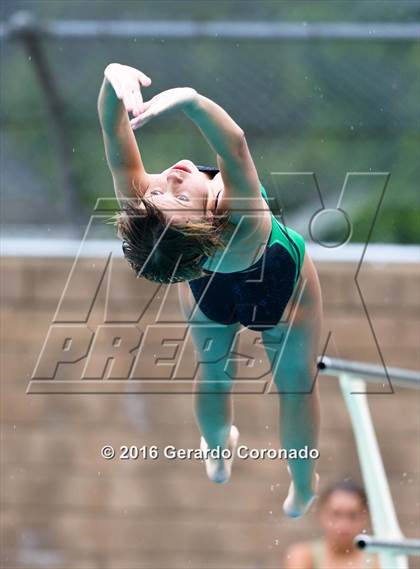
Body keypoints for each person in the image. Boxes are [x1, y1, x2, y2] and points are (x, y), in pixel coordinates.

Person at [97, 62, 323, 517]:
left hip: (209, 292)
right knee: (296, 387)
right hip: (282, 286)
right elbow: (234, 144)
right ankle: (302, 484)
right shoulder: (239, 216)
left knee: (214, 372)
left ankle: (218, 448)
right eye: (179, 198)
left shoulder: (150, 212)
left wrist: (110, 81)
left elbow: (112, 131)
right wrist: (191, 101)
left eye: (161, 191)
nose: (171, 180)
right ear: (204, 224)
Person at [284, 480, 381, 568]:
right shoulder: (303, 556)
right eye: (336, 514)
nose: (344, 525)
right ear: (321, 515)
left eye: (352, 516)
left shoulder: (380, 561)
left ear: (365, 518)